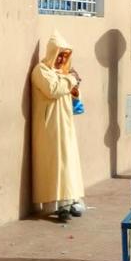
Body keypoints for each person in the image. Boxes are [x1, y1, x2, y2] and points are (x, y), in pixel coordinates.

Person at [31, 31, 85, 221]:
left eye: (65, 56)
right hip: (50, 126)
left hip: (65, 125)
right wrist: (71, 80)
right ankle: (56, 204)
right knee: (54, 165)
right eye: (59, 54)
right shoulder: (41, 71)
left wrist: (74, 89)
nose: (62, 59)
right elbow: (53, 89)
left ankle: (70, 201)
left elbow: (69, 94)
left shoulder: (63, 74)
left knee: (68, 163)